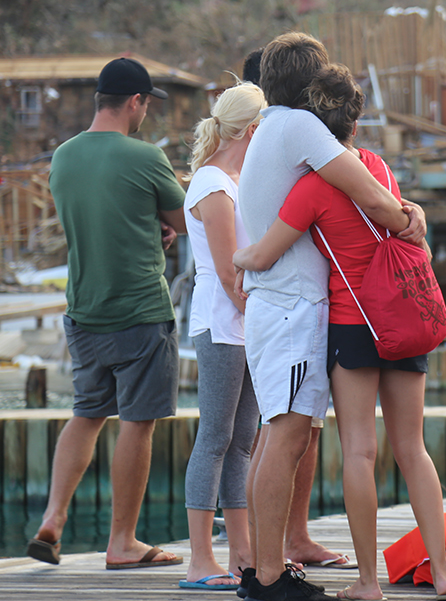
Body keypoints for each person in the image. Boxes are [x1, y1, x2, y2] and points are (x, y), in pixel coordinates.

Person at [234, 64, 446, 601]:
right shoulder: (381, 172)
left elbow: (266, 254)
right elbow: (403, 219)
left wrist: (237, 255)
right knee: (415, 450)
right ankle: (441, 573)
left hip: (353, 324)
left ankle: (368, 583)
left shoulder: (310, 188)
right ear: (355, 126)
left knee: (360, 452)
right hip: (405, 318)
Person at [27, 58, 187, 569]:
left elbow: (106, 215)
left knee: (87, 413)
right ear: (136, 102)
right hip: (138, 310)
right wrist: (163, 227)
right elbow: (185, 220)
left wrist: (150, 226)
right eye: (147, 104)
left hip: (84, 311)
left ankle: (53, 518)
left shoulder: (64, 158)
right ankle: (122, 541)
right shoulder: (145, 157)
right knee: (138, 423)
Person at [242, 46, 347, 570]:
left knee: (274, 437)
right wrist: (406, 213)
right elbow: (364, 186)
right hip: (292, 306)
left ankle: (263, 566)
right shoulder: (300, 126)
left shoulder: (269, 126)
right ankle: (266, 574)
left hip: (275, 303)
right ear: (313, 84)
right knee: (285, 438)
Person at [178, 82, 265, 589]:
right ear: (252, 129)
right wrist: (262, 320)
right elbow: (232, 272)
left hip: (247, 322)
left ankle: (241, 553)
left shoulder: (239, 179)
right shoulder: (212, 184)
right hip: (223, 322)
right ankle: (199, 560)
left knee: (243, 443)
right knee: (214, 436)